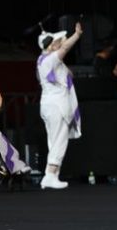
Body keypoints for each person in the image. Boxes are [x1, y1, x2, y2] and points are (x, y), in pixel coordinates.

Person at [37, 23, 82, 190]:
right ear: (50, 46)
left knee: (54, 140)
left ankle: (52, 176)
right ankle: (49, 175)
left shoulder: (47, 60)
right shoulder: (49, 60)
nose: (59, 44)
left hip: (51, 104)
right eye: (56, 42)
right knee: (58, 141)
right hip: (56, 105)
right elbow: (65, 48)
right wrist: (76, 35)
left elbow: (69, 73)